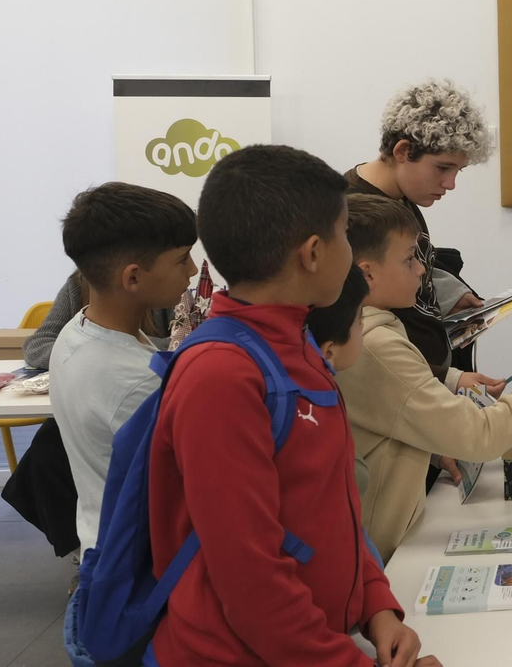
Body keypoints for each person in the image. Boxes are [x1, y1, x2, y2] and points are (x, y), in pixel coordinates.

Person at [148, 145, 433, 666]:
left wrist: (378, 607)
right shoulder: (221, 375)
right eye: (346, 234)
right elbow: (249, 579)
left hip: (315, 642)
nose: (352, 253)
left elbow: (334, 504)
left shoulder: (297, 343)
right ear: (313, 253)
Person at [339, 193, 512, 561]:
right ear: (367, 272)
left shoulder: (370, 330)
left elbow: (385, 418)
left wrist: (433, 444)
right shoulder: (376, 345)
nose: (420, 271)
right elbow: (481, 436)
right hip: (385, 554)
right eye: (408, 260)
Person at [50, 183, 197, 562]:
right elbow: (189, 488)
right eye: (182, 259)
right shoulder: (135, 381)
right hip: (139, 561)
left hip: (103, 537)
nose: (193, 270)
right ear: (132, 278)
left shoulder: (77, 331)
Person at [345, 78, 497, 385]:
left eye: (458, 171)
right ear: (403, 151)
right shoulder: (355, 213)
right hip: (403, 388)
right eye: (443, 168)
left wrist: (449, 294)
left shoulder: (403, 198)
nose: (451, 183)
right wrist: (447, 378)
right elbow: (364, 335)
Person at [305, 265, 373, 498]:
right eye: (359, 320)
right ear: (329, 352)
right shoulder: (313, 400)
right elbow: (355, 476)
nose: (363, 326)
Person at [24, 272, 171, 371]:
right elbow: (37, 345)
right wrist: (99, 353)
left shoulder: (164, 289)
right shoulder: (78, 283)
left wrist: (104, 350)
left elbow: (181, 346)